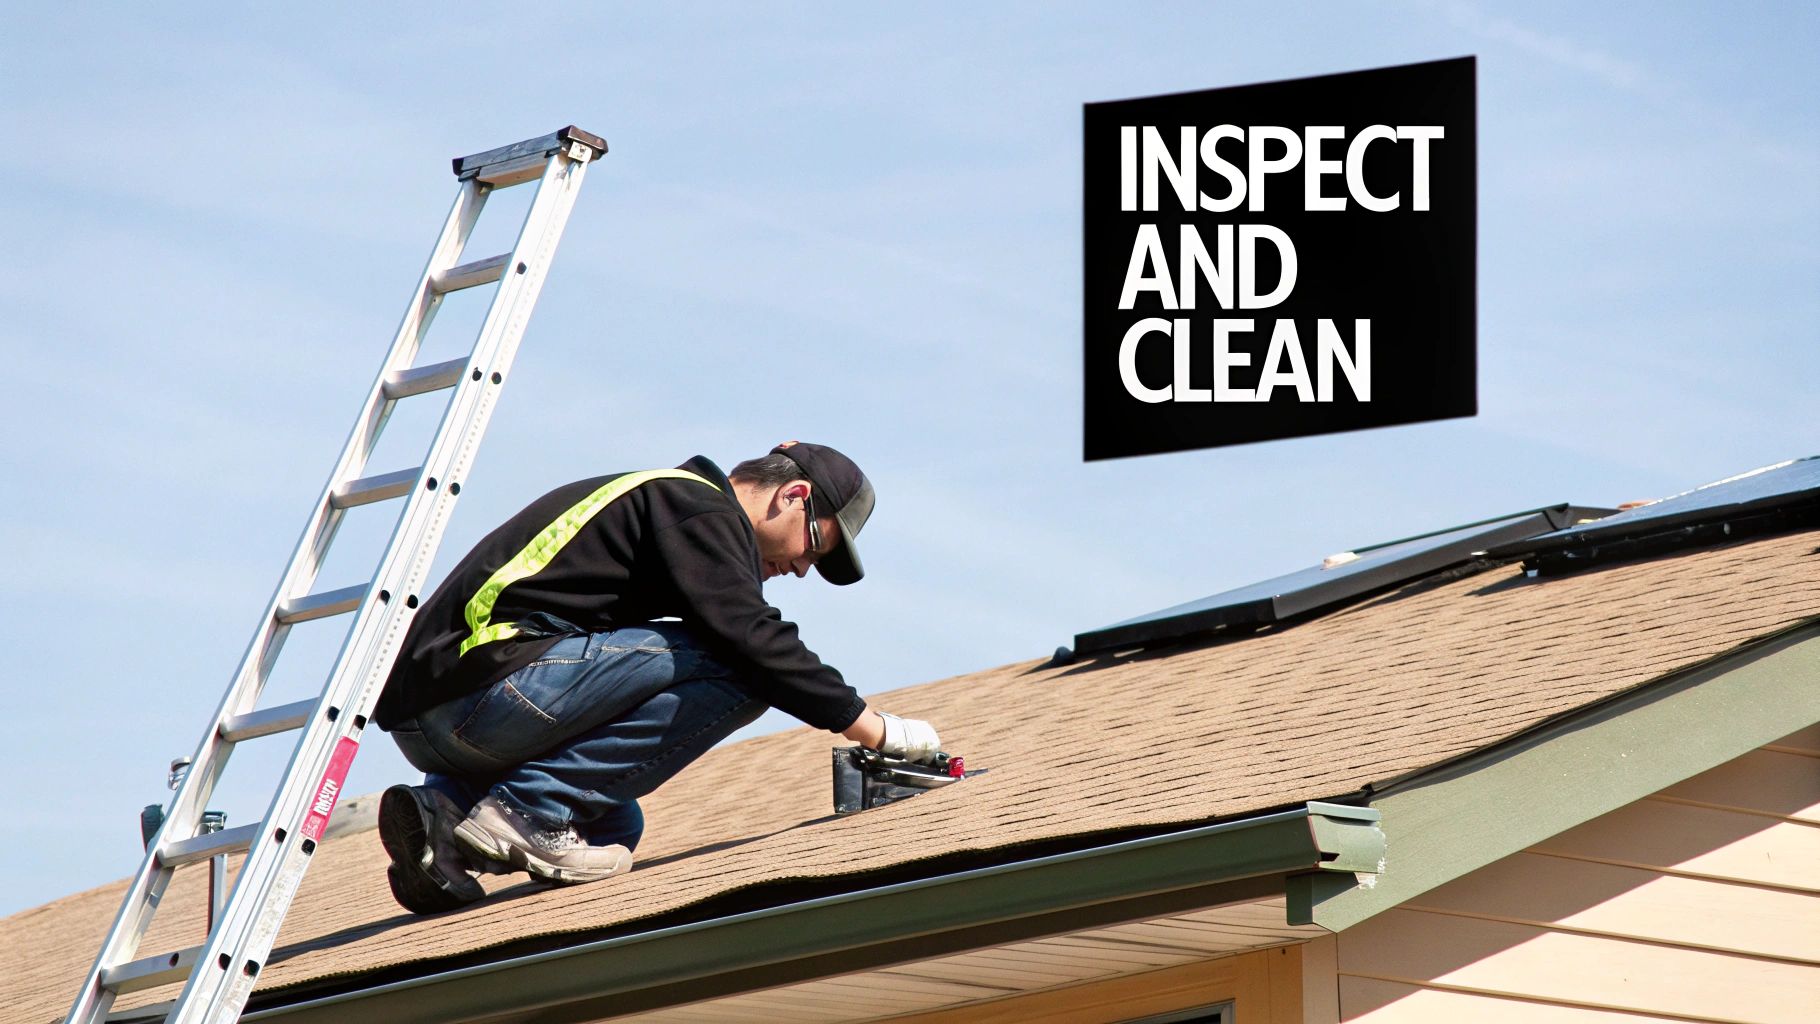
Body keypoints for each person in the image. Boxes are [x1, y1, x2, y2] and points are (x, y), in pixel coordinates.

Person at [371, 442, 942, 914]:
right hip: (480, 688)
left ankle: (444, 823)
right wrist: (875, 729)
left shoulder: (676, 513)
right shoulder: (696, 506)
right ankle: (529, 809)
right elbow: (751, 638)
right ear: (793, 496)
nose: (799, 569)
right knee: (742, 669)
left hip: (443, 717)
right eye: (813, 548)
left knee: (614, 826)